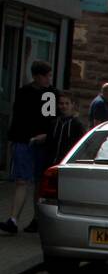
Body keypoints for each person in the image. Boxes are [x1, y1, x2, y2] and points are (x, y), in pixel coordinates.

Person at [1, 60, 55, 234]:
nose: (49, 79)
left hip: (40, 143)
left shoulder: (50, 94)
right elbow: (18, 119)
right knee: (22, 181)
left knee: (38, 182)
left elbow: (51, 120)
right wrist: (14, 141)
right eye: (47, 76)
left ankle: (36, 219)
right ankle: (13, 219)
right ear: (38, 76)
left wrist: (46, 135)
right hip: (25, 141)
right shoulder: (24, 93)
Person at [46, 91, 85, 169]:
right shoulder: (54, 123)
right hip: (52, 164)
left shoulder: (77, 125)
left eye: (67, 103)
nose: (64, 106)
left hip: (68, 165)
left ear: (72, 105)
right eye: (61, 103)